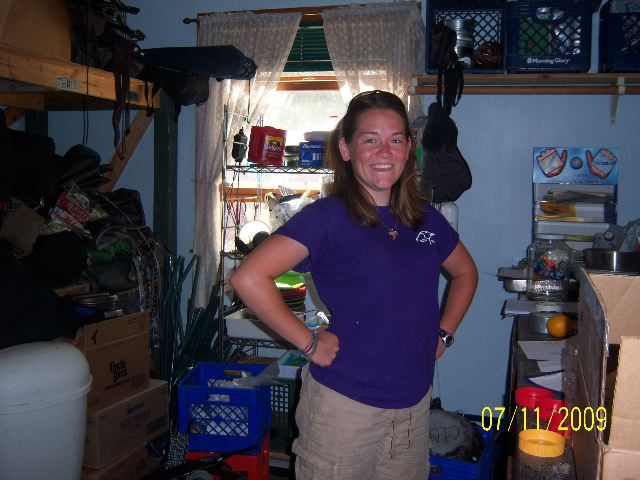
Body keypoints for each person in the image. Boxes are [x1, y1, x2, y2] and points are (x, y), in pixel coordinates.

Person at [229, 90, 478, 480]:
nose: (384, 151)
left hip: (413, 408)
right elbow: (248, 277)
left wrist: (444, 334)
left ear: (408, 149)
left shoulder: (425, 218)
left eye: (395, 139)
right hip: (344, 410)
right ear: (346, 149)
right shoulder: (326, 218)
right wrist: (308, 342)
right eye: (370, 139)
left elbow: (466, 274)